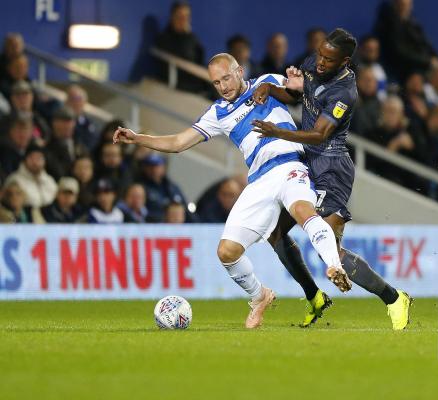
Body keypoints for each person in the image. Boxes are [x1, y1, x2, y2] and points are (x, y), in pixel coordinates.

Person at [113, 53, 348, 329]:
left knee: (301, 211)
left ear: (239, 71)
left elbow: (303, 93)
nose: (223, 86)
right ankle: (260, 296)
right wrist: (138, 138)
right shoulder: (217, 113)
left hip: (290, 165)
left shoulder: (266, 82)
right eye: (216, 82)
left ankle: (334, 266)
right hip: (259, 180)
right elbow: (178, 142)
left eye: (226, 78)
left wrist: (299, 82)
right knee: (226, 252)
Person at [251, 28, 412, 330]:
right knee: (274, 231)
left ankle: (394, 299)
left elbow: (319, 134)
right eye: (320, 55)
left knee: (332, 252)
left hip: (331, 168)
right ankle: (315, 297)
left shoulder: (345, 92)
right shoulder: (317, 61)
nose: (320, 62)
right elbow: (300, 92)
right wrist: (271, 89)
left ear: (345, 61)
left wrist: (278, 132)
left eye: (328, 59)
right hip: (308, 163)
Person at [373, 0, 438, 82]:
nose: (404, 8)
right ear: (394, 5)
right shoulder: (388, 24)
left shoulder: (413, 23)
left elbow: (426, 44)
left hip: (418, 66)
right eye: (401, 4)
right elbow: (399, 51)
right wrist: (428, 61)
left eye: (407, 5)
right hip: (401, 70)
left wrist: (437, 59)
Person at [154, 1, 208, 94]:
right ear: (172, 17)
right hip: (181, 84)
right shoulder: (164, 38)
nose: (184, 19)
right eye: (180, 16)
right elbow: (180, 55)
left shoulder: (191, 38)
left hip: (199, 82)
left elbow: (200, 57)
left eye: (186, 16)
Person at [137, 153, 187, 222]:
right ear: (145, 168)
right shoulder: (141, 187)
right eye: (150, 166)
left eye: (157, 165)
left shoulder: (172, 187)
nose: (154, 169)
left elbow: (185, 207)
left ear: (163, 167)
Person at [5, 143, 57, 208]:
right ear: (25, 160)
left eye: (39, 158)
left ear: (44, 161)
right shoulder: (15, 180)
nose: (35, 162)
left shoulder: (50, 181)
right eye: (31, 158)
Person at [45, 105, 88, 180]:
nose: (68, 125)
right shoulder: (47, 146)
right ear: (54, 123)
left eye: (71, 121)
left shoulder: (79, 144)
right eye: (64, 121)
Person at [66, 84, 99, 152]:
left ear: (84, 102)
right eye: (71, 98)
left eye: (78, 99)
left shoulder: (88, 123)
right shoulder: (59, 119)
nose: (75, 102)